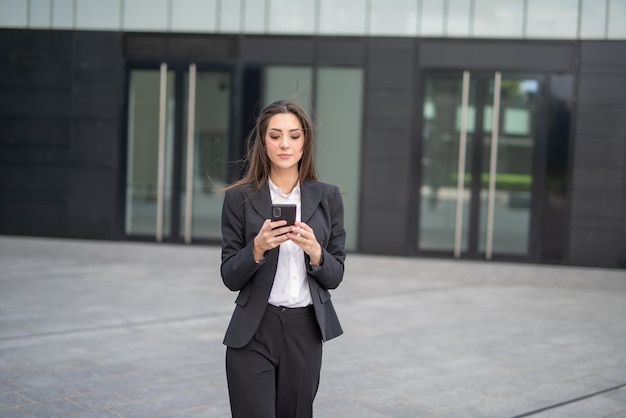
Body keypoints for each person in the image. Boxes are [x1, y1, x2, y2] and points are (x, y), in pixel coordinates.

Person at [220, 99, 346, 418]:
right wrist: (257, 248)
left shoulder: (328, 197)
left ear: (305, 142)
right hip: (254, 330)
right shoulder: (239, 198)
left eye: (293, 135)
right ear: (264, 141)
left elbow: (335, 275)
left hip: (305, 330)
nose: (284, 144)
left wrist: (316, 252)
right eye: (275, 135)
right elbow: (230, 277)